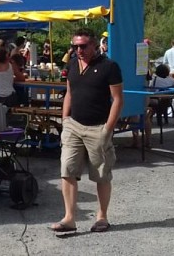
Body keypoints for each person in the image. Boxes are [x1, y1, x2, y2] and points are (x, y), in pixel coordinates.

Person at [51, 28, 123, 234]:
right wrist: (65, 119)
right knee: (67, 170)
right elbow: (70, 92)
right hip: (73, 125)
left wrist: (108, 129)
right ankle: (69, 218)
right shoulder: (73, 64)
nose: (78, 50)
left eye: (83, 46)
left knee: (101, 174)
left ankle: (102, 217)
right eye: (75, 46)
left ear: (93, 45)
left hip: (98, 126)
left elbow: (117, 99)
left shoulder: (109, 66)